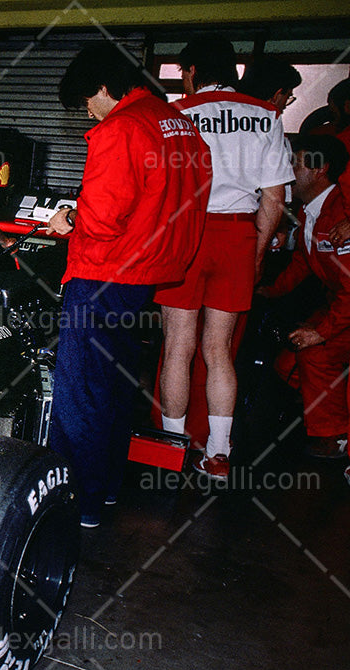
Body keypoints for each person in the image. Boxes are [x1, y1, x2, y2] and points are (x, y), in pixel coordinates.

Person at [47, 42, 210, 527]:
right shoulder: (179, 124)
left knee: (79, 393)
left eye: (86, 102)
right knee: (116, 387)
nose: (88, 113)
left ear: (101, 88)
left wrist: (68, 219)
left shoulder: (119, 129)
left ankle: (79, 503)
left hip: (102, 274)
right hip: (147, 275)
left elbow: (99, 220)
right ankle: (107, 490)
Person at [154, 34, 293, 478]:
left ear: (193, 72)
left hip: (188, 234)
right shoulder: (266, 115)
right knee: (219, 351)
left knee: (178, 347)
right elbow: (275, 198)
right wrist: (255, 249)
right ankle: (218, 454)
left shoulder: (177, 115)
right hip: (237, 235)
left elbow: (160, 190)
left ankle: (172, 449)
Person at [257, 135, 350, 467]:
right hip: (339, 304)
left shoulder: (341, 213)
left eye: (295, 164)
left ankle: (336, 437)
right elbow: (302, 262)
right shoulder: (311, 210)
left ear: (320, 169)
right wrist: (270, 290)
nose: (288, 170)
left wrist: (321, 333)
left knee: (314, 352)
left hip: (346, 306)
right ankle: (330, 412)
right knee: (286, 367)